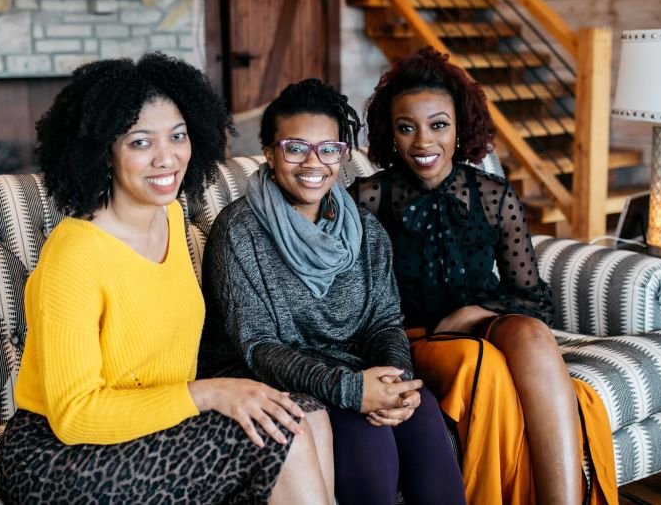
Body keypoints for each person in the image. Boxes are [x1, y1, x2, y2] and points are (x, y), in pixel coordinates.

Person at [0, 54, 332, 504]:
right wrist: (208, 394)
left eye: (178, 136)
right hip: (59, 455)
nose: (166, 157)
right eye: (140, 143)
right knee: (277, 434)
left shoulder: (170, 216)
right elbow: (75, 415)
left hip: (151, 425)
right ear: (103, 153)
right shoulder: (74, 255)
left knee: (303, 413)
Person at [350, 47, 618, 505]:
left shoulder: (493, 196)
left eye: (438, 125)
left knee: (533, 335)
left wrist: (473, 313)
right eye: (406, 127)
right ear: (389, 133)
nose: (423, 142)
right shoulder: (370, 197)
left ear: (460, 129)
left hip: (479, 322)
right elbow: (358, 301)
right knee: (486, 365)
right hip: (412, 337)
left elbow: (534, 299)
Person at [199, 79, 466, 505]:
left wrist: (394, 382)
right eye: (295, 147)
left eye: (328, 149)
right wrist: (352, 390)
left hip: (351, 372)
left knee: (423, 413)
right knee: (367, 436)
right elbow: (258, 346)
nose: (314, 162)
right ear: (269, 152)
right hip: (264, 377)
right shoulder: (238, 230)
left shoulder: (365, 230)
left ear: (342, 157)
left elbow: (384, 322)